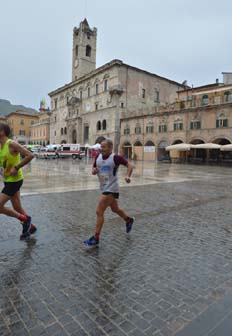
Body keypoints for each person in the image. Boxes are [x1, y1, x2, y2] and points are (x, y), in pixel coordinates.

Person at [84, 138, 134, 246]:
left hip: (112, 188)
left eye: (104, 147)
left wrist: (128, 176)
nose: (101, 149)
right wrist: (94, 171)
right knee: (115, 209)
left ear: (110, 148)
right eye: (101, 147)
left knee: (99, 211)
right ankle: (128, 220)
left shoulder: (115, 158)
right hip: (104, 187)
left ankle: (96, 237)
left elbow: (130, 165)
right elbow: (93, 169)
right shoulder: (98, 157)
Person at [0, 123, 36, 240]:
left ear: (2, 132)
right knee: (17, 207)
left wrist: (16, 167)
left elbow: (30, 155)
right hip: (7, 180)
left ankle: (25, 220)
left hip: (15, 181)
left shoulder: (12, 144)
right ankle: (31, 227)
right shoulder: (0, 146)